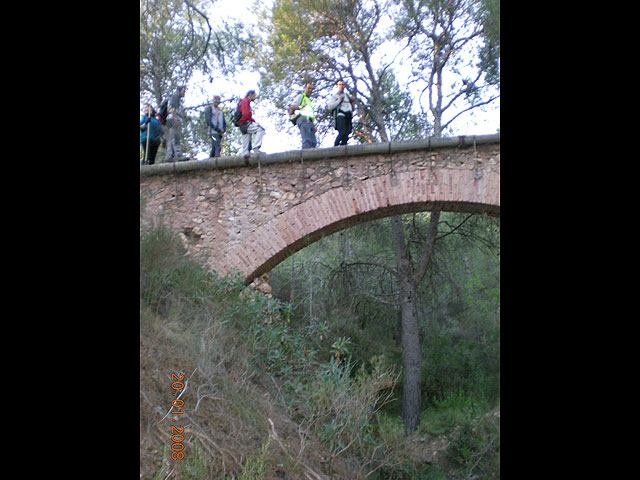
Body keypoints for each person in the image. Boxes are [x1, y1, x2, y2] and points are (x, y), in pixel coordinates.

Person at [289, 82, 317, 149]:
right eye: (308, 88)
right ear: (305, 89)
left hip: (309, 121)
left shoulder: (308, 100)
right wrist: (301, 106)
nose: (310, 90)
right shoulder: (301, 96)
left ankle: (311, 155)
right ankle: (305, 154)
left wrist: (313, 125)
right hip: (303, 119)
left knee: (313, 142)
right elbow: (291, 107)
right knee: (307, 140)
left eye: (311, 89)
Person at [327, 79, 355, 146]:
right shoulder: (335, 96)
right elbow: (330, 107)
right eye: (340, 85)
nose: (341, 86)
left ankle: (344, 147)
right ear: (337, 85)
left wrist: (352, 102)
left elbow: (352, 108)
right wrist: (339, 100)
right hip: (340, 115)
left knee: (347, 133)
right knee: (342, 132)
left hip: (348, 116)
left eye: (342, 85)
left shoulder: (347, 96)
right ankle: (335, 146)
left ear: (344, 86)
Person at [238, 90, 265, 158]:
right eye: (254, 96)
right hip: (245, 123)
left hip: (242, 125)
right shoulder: (245, 101)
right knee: (261, 129)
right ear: (250, 94)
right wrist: (252, 121)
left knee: (245, 149)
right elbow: (246, 114)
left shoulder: (243, 102)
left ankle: (244, 157)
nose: (255, 97)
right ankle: (256, 148)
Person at [165, 85, 187, 161]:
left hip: (171, 119)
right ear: (179, 91)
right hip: (173, 119)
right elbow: (172, 109)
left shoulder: (178, 99)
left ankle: (169, 156)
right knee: (176, 137)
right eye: (183, 91)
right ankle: (178, 154)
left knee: (172, 137)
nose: (184, 93)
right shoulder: (175, 97)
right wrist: (175, 119)